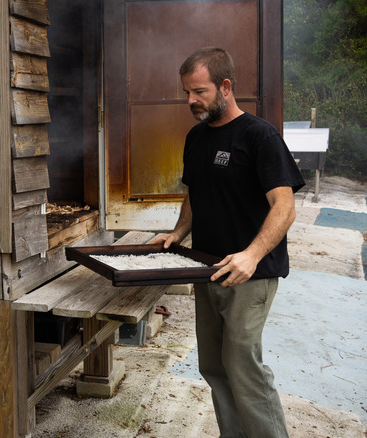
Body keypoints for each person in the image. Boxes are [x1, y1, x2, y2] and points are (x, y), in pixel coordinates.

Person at [151, 47, 305, 437]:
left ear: (225, 86)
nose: (190, 101)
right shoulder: (196, 137)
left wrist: (251, 256)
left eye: (199, 91)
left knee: (242, 364)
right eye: (186, 92)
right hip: (208, 267)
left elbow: (284, 207)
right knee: (214, 366)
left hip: (250, 274)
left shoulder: (259, 136)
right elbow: (195, 193)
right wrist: (178, 232)